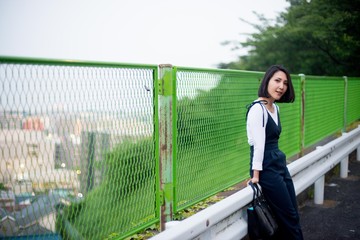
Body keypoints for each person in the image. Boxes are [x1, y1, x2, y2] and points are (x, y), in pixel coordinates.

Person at [246, 65, 304, 239]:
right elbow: (258, 145)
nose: (281, 86)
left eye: (285, 83)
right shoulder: (257, 109)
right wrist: (256, 175)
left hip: (278, 162)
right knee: (289, 218)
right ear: (267, 81)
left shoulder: (275, 108)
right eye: (277, 81)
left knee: (293, 213)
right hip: (266, 168)